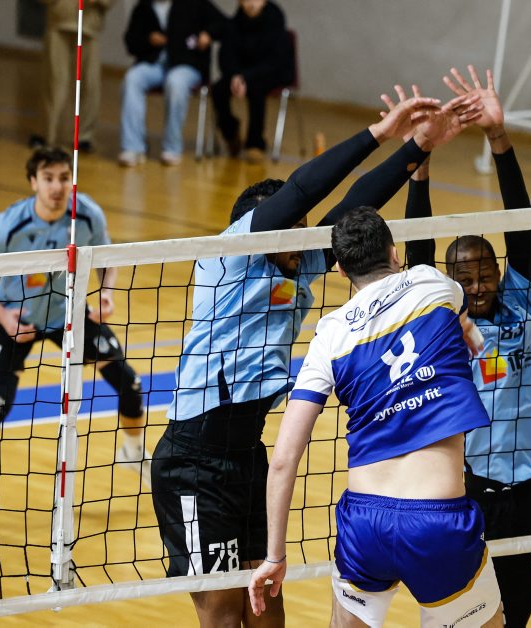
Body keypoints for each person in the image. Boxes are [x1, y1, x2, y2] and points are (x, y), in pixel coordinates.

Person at [151, 92, 481, 627]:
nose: (303, 237)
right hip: (192, 462)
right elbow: (305, 187)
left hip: (246, 456)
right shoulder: (228, 257)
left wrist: (415, 148)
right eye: (292, 226)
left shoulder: (299, 263)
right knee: (224, 615)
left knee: (267, 609)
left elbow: (356, 205)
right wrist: (380, 133)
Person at [249, 208, 504, 628]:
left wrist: (274, 556)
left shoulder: (329, 334)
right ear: (394, 252)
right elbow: (461, 317)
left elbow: (283, 460)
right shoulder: (433, 283)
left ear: (341, 269)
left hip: (364, 526)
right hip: (437, 522)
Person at [403, 66, 531, 627]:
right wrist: (421, 162)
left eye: (486, 272)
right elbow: (418, 251)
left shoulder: (520, 302)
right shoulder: (439, 323)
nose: (479, 284)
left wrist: (498, 137)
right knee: (511, 608)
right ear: (450, 281)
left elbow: (520, 226)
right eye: (466, 277)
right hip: (483, 493)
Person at [0, 147, 150, 537]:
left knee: (131, 384)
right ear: (33, 182)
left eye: (63, 178)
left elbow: (107, 258)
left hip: (68, 314)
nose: (57, 187)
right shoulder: (9, 225)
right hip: (17, 318)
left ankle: (134, 451)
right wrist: (4, 317)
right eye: (48, 178)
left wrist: (107, 294)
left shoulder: (87, 214)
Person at [119, 0, 225, 167]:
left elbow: (224, 24)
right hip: (154, 65)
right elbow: (130, 42)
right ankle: (133, 147)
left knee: (175, 81)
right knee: (132, 79)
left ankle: (172, 147)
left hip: (187, 65)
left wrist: (208, 33)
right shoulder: (143, 7)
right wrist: (148, 39)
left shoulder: (195, 3)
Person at [211, 0, 293, 163]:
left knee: (256, 88)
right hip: (239, 74)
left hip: (269, 73)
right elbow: (226, 56)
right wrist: (235, 76)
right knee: (218, 89)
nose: (251, 4)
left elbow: (275, 60)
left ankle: (255, 143)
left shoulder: (275, 20)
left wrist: (246, 77)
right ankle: (231, 133)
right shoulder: (234, 23)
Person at [31, 0, 113, 152]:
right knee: (54, 82)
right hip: (59, 20)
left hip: (90, 25)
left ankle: (84, 136)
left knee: (89, 84)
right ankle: (47, 133)